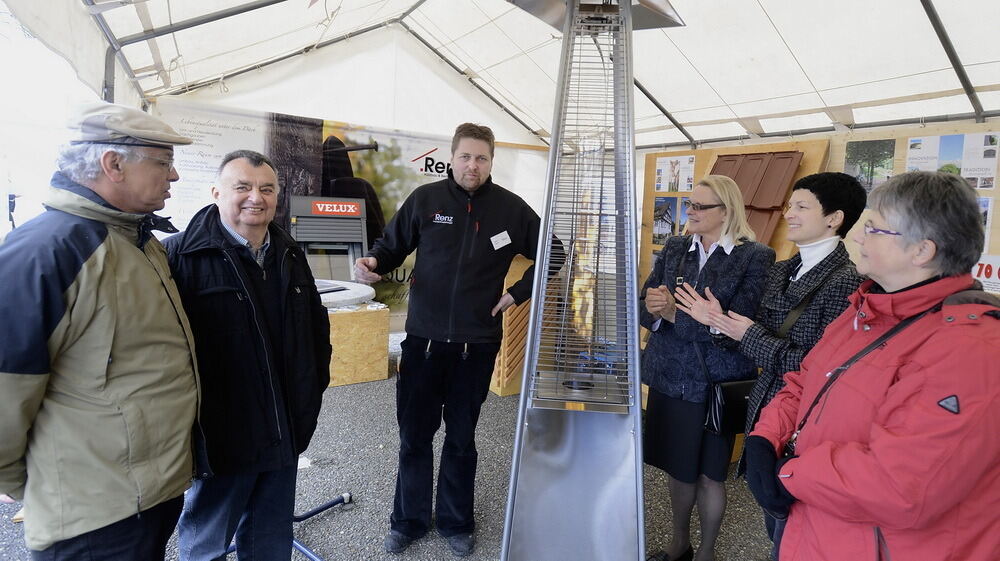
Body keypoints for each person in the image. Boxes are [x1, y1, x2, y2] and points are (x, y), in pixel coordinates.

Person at [745, 171, 1000, 561]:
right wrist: (766, 437)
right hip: (816, 528)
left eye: (875, 229)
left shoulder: (970, 349)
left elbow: (900, 486)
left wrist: (790, 474)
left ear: (921, 251)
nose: (859, 237)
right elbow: (803, 382)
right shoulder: (865, 311)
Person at [0, 102, 199, 560]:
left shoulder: (139, 242)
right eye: (164, 162)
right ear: (113, 164)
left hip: (146, 494)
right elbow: (9, 383)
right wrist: (17, 480)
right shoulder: (48, 250)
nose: (173, 177)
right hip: (94, 513)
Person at [354, 123, 556, 557]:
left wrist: (516, 294)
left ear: (491, 162)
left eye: (481, 158)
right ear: (452, 157)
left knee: (462, 438)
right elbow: (392, 246)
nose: (472, 165)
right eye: (465, 156)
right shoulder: (426, 200)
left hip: (476, 346)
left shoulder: (511, 209)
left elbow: (555, 252)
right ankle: (408, 520)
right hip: (423, 343)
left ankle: (454, 520)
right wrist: (373, 259)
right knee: (414, 437)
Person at [673, 172, 867, 550]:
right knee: (775, 521)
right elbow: (748, 340)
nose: (788, 213)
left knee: (795, 530)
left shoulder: (846, 281)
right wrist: (718, 324)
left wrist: (745, 334)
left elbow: (821, 371)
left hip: (805, 425)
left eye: (801, 206)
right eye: (790, 205)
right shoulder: (782, 269)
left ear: (834, 218)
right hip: (766, 418)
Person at [164, 150, 332, 560]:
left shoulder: (291, 256)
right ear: (216, 191)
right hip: (224, 438)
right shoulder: (178, 257)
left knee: (270, 543)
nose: (255, 197)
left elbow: (315, 335)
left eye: (266, 189)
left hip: (283, 429)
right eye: (243, 187)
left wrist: (308, 403)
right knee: (207, 544)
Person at [641, 175, 775, 561]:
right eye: (690, 204)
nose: (690, 212)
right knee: (677, 469)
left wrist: (676, 316)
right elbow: (648, 301)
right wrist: (654, 309)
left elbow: (742, 327)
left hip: (715, 383)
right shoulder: (676, 246)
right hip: (669, 378)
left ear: (727, 211)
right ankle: (679, 543)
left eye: (700, 206)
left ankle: (707, 552)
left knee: (710, 475)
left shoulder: (755, 257)